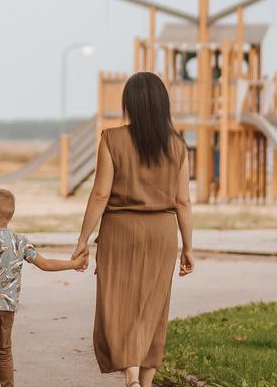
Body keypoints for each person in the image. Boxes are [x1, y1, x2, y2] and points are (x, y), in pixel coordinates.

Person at [71, 72, 194, 387]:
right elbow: (183, 201)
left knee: (119, 301)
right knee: (154, 303)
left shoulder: (112, 140)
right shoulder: (178, 145)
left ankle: (131, 374)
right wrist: (188, 246)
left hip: (120, 230)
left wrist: (83, 238)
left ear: (129, 104)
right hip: (162, 233)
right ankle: (147, 379)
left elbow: (100, 194)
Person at [0, 188, 85, 387]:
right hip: (8, 307)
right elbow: (45, 264)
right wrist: (74, 264)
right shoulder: (20, 241)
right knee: (4, 350)